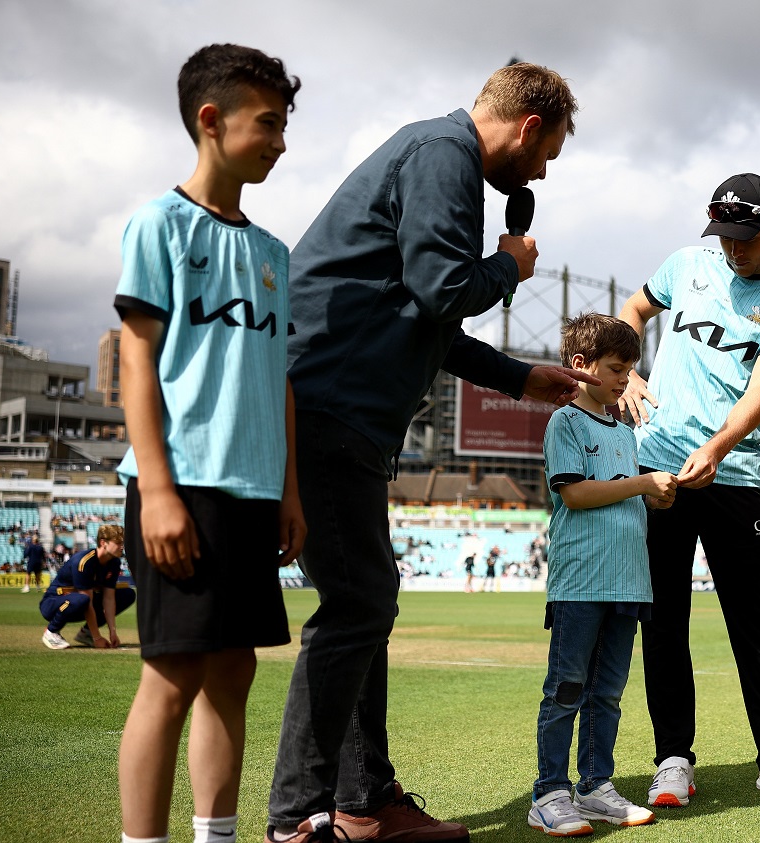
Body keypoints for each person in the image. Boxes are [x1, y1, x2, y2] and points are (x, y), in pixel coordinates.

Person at [267, 63, 590, 843]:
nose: (542, 172)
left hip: (346, 415)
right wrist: (513, 262)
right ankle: (299, 818)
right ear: (529, 128)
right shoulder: (446, 155)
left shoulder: (436, 155)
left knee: (363, 608)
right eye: (546, 156)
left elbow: (425, 316)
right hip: (330, 408)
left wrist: (520, 376)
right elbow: (445, 290)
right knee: (360, 606)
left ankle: (362, 800)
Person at [110, 44, 306, 843]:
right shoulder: (158, 223)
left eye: (285, 126)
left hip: (255, 492)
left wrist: (289, 490)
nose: (280, 142)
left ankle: (215, 837)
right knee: (173, 672)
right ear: (211, 119)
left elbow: (281, 378)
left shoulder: (272, 253)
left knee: (235, 669)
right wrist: (155, 489)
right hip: (181, 485)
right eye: (269, 123)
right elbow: (135, 357)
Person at [618, 173, 760, 805]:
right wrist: (629, 368)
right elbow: (633, 309)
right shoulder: (687, 263)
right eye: (724, 236)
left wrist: (715, 449)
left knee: (754, 626)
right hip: (657, 470)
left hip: (735, 475)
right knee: (663, 623)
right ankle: (672, 759)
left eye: (746, 237)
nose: (733, 250)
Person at [526, 314, 673, 836]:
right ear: (581, 366)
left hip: (629, 582)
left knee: (607, 693)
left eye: (631, 367)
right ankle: (549, 793)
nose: (624, 378)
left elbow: (622, 495)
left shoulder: (624, 430)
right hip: (580, 584)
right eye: (616, 368)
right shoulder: (565, 421)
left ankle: (594, 787)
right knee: (566, 689)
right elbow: (577, 493)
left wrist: (654, 495)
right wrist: (640, 484)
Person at [39, 525, 134, 650]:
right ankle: (51, 632)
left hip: (80, 603)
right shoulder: (85, 561)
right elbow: (87, 601)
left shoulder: (114, 562)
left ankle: (86, 633)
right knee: (83, 599)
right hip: (54, 603)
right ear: (103, 543)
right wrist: (97, 638)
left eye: (123, 543)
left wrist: (113, 632)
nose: (122, 546)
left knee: (127, 594)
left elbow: (109, 599)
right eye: (118, 542)